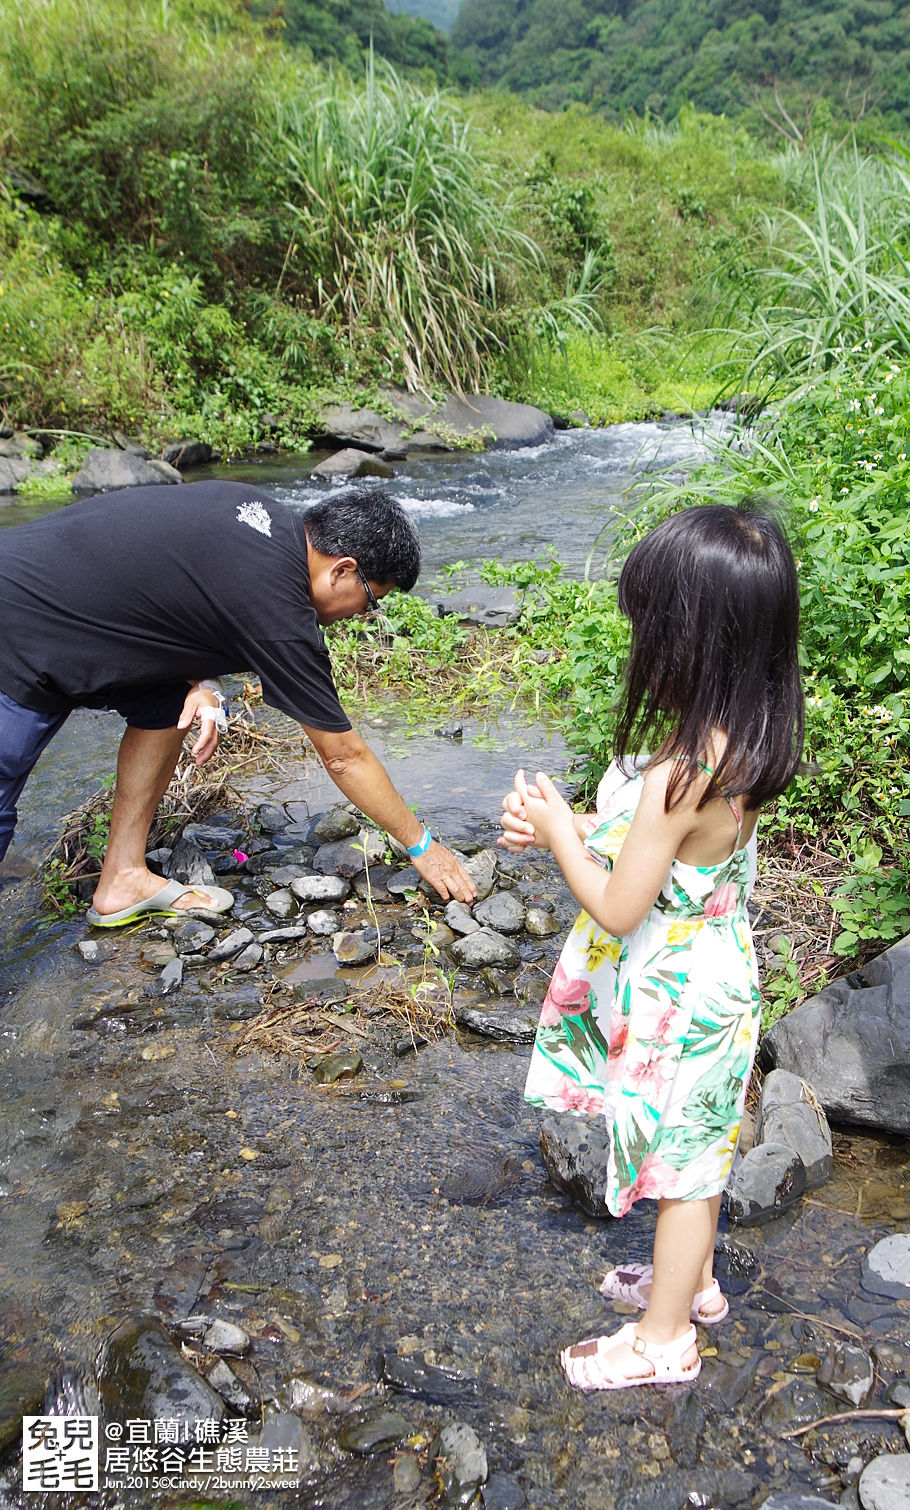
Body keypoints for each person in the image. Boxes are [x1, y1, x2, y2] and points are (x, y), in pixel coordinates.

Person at [499, 501, 803, 1391]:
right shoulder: (746, 737)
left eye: (650, 626)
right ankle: (694, 1282)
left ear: (693, 641)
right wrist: (590, 820)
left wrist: (561, 832)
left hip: (676, 998)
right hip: (720, 977)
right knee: (700, 1148)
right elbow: (671, 850)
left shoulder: (681, 770)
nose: (641, 644)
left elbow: (621, 905)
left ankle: (663, 1339)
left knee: (684, 1171)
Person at [0, 478, 475, 920]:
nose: (363, 615)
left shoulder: (260, 517)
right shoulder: (279, 605)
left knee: (165, 704)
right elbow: (344, 757)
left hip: (36, 591)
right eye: (371, 599)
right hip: (18, 632)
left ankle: (123, 876)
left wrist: (201, 684)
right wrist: (422, 846)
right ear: (343, 570)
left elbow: (167, 586)